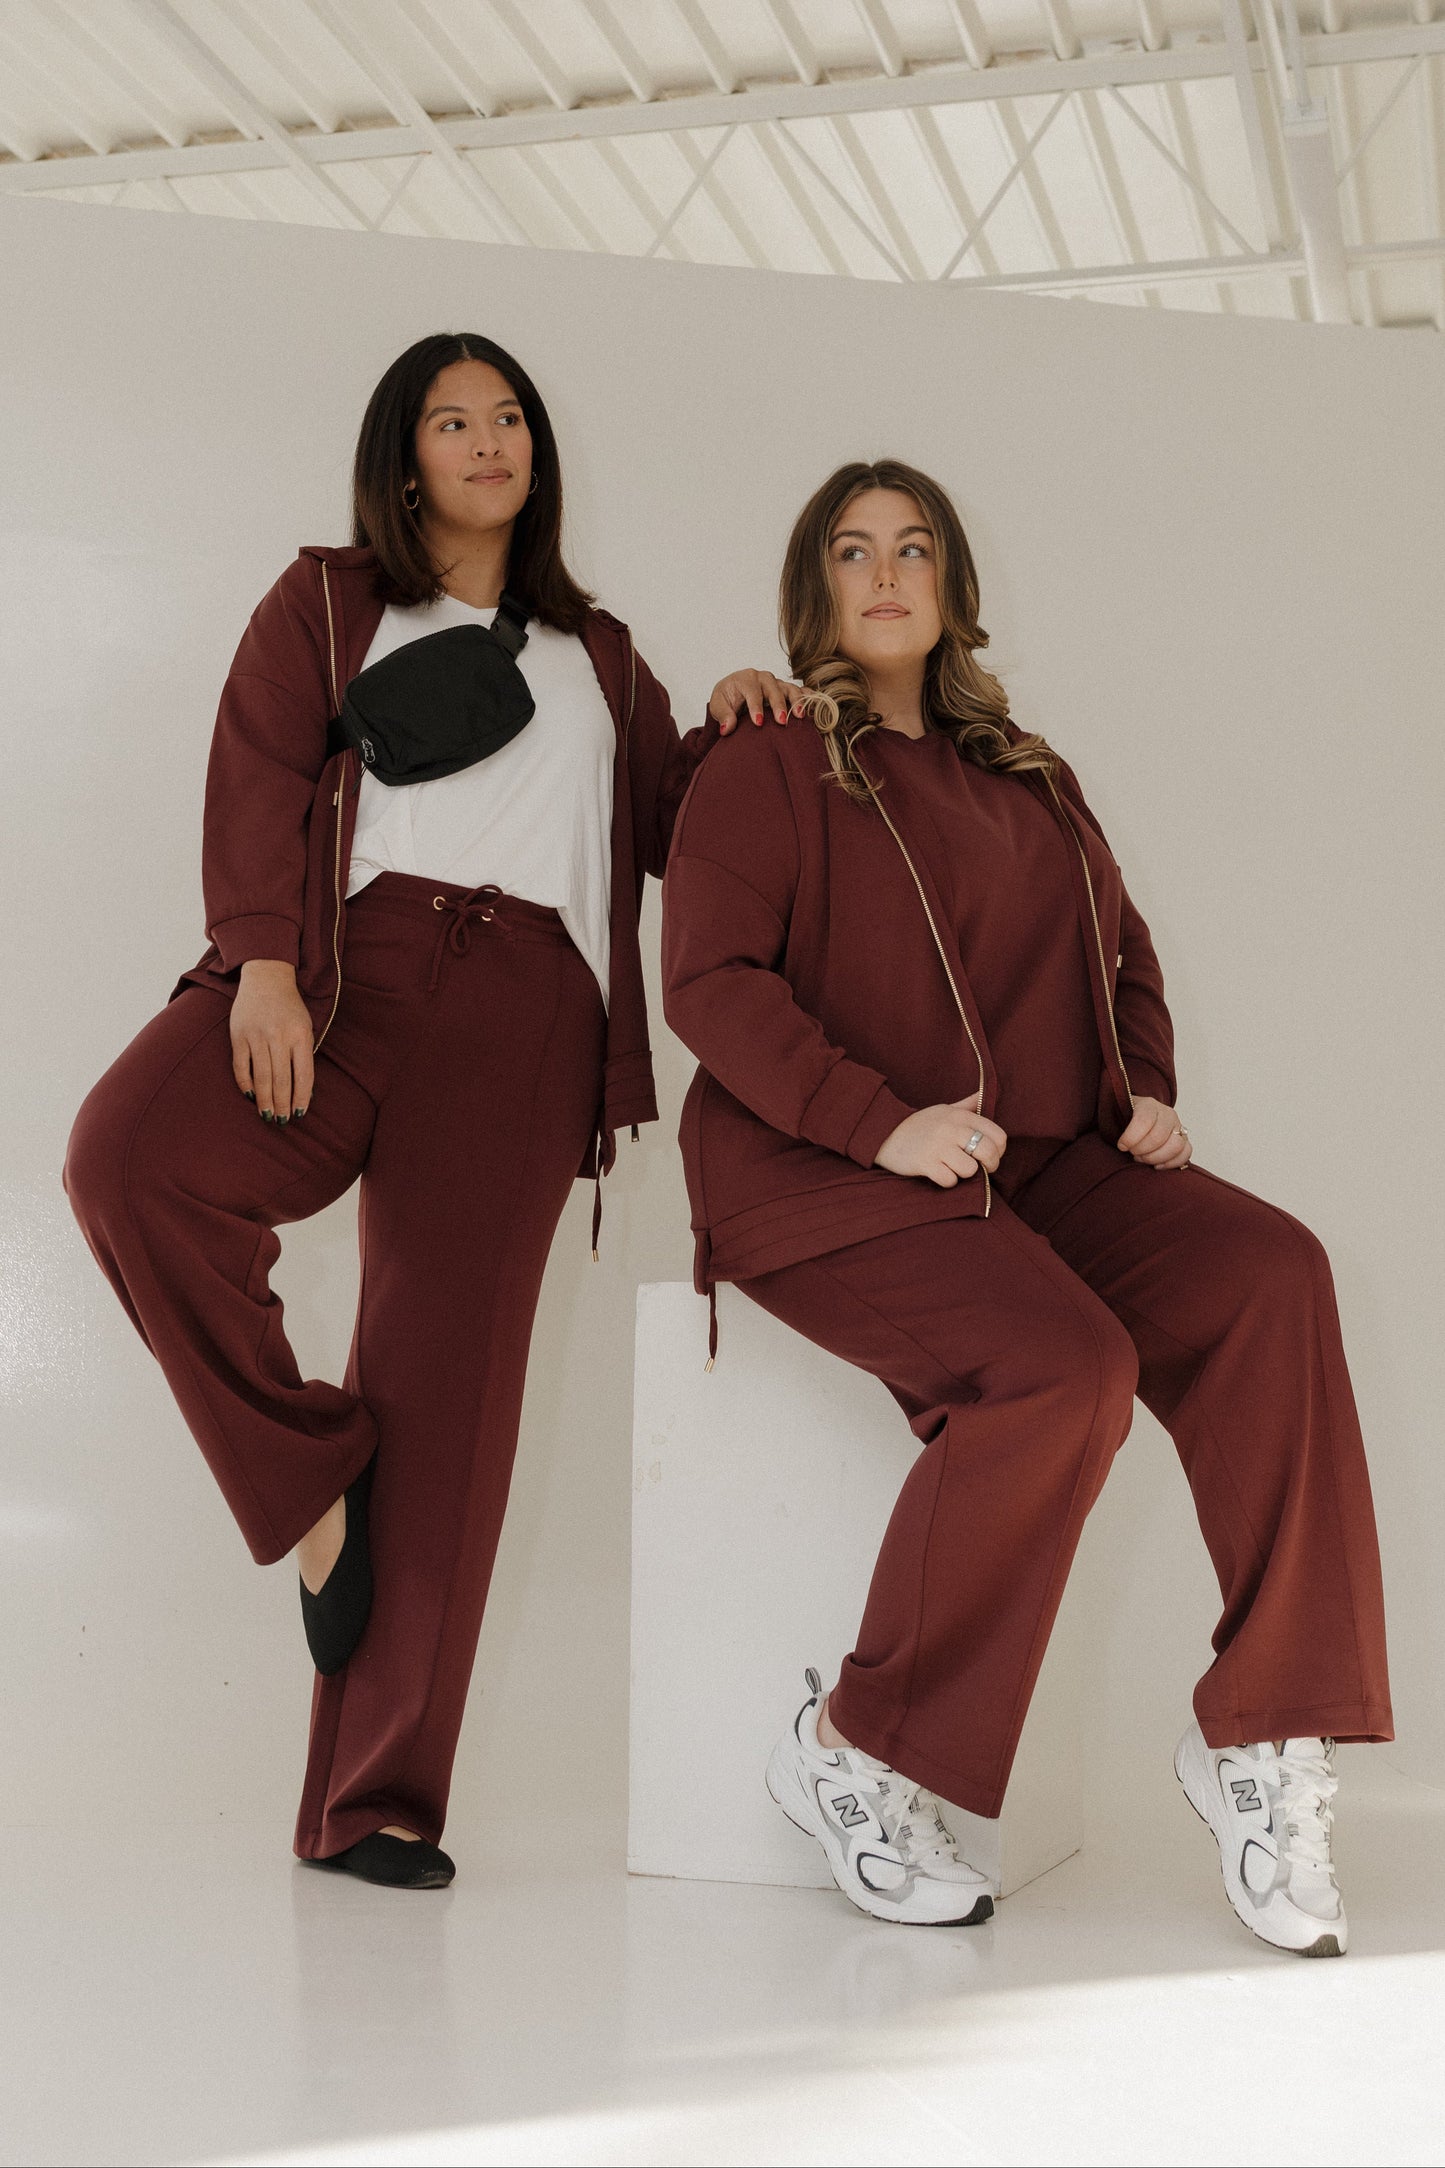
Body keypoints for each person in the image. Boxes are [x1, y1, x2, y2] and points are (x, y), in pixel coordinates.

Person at [63, 331, 798, 1890]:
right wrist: (260, 965)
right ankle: (308, 1474)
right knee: (127, 1162)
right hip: (346, 971)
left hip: (528, 1016)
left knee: (450, 1408)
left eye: (509, 416)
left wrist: (734, 716)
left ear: (536, 453)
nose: (487, 440)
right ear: (405, 459)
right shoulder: (328, 598)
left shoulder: (597, 652)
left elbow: (684, 825)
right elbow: (260, 770)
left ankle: (377, 1804)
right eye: (452, 419)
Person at [661, 458, 1392, 1955]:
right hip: (812, 1171)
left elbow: (1121, 953)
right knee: (1065, 1373)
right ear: (814, 591)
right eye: (852, 552)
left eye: (913, 549)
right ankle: (854, 1748)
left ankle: (1261, 1732)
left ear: (949, 590)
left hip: (1036, 1164)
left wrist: (1137, 1087)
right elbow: (708, 985)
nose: (885, 573)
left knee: (1270, 1272)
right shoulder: (767, 758)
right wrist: (880, 1124)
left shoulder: (1027, 779)